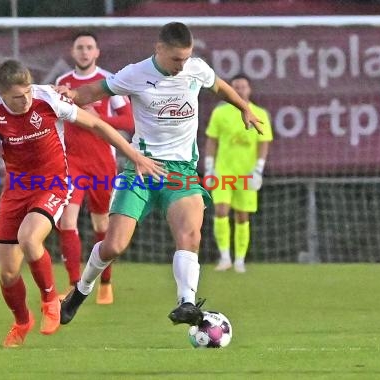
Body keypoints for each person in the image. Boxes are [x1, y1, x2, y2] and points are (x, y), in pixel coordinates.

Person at [58, 22, 264, 327]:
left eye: (186, 58)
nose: (182, 66)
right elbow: (95, 90)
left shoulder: (195, 69)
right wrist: (69, 94)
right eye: (176, 59)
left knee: (190, 235)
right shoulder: (135, 73)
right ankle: (81, 290)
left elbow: (219, 86)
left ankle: (187, 303)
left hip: (180, 171)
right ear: (159, 50)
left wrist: (243, 107)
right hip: (141, 167)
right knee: (114, 245)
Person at [0, 59, 164, 347]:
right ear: (1, 95)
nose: (26, 99)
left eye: (27, 92)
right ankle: (22, 321)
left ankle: (51, 300)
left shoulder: (47, 98)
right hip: (16, 187)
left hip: (53, 181)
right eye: (17, 96)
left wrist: (134, 155)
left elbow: (96, 124)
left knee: (29, 238)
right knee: (7, 273)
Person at [55, 31, 135, 305]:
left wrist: (99, 118)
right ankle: (73, 285)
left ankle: (105, 282)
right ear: (73, 51)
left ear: (97, 52)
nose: (85, 52)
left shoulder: (109, 82)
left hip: (102, 163)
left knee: (102, 224)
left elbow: (129, 121)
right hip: (72, 162)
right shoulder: (62, 83)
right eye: (80, 47)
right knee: (67, 221)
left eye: (89, 47)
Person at [204, 74, 273, 273]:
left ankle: (240, 259)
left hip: (246, 174)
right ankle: (225, 256)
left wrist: (258, 169)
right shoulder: (221, 113)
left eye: (243, 87)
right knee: (221, 211)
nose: (240, 90)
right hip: (223, 171)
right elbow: (212, 140)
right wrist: (209, 166)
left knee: (242, 216)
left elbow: (263, 143)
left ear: (249, 89)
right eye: (236, 87)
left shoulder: (259, 113)